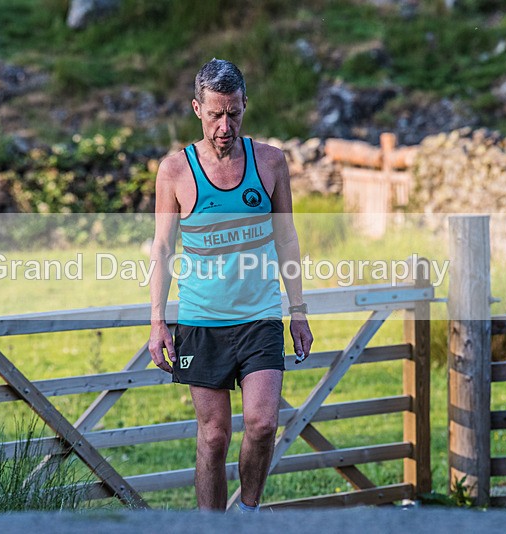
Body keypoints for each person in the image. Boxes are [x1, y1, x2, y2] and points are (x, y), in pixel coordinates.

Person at [148, 58, 313, 512]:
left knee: (261, 424)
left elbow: (287, 237)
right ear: (197, 108)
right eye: (216, 114)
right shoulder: (175, 171)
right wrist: (158, 322)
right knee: (215, 435)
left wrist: (297, 311)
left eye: (234, 113)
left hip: (260, 317)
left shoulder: (271, 162)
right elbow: (162, 249)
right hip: (202, 320)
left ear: (245, 105)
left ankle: (247, 514)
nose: (225, 125)